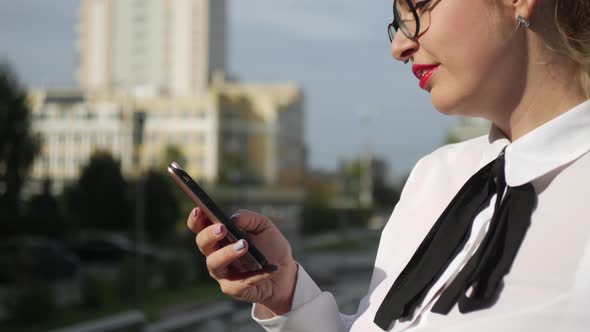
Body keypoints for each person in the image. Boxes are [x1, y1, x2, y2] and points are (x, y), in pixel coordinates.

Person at [186, 0, 590, 330]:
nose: (399, 46)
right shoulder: (435, 177)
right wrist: (286, 292)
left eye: (419, 6)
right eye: (397, 20)